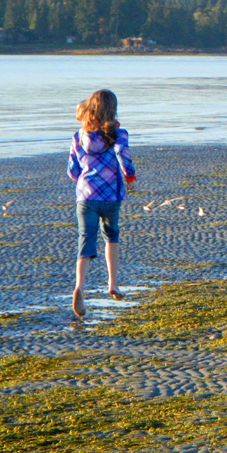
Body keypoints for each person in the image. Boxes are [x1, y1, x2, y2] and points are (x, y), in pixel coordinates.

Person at [67, 89, 136, 319]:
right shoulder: (117, 133)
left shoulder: (79, 135)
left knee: (85, 239)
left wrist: (86, 178)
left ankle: (79, 287)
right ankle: (113, 283)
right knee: (111, 235)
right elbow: (124, 156)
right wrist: (130, 177)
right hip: (111, 195)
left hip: (86, 196)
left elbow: (73, 171)